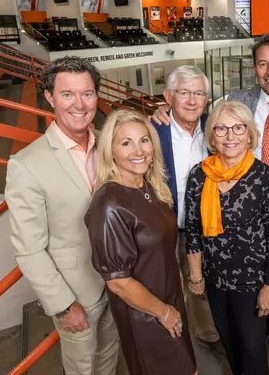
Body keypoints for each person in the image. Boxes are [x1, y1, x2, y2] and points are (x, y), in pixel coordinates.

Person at [153, 33, 269, 371]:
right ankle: (237, 335)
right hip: (221, 226)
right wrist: (163, 110)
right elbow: (208, 118)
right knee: (231, 319)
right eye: (262, 64)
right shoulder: (234, 105)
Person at [5, 56, 119, 375]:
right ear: (50, 98)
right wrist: (63, 305)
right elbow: (28, 248)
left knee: (110, 353)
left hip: (119, 282)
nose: (79, 104)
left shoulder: (109, 145)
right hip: (76, 292)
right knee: (82, 368)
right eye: (68, 94)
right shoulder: (26, 164)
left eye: (87, 93)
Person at [86, 110, 197, 375]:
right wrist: (162, 312)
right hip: (146, 315)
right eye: (126, 143)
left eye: (144, 140)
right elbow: (118, 282)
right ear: (110, 152)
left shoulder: (149, 186)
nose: (139, 151)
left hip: (168, 299)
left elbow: (161, 247)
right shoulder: (110, 204)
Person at [184, 101, 269, 375]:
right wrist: (196, 277)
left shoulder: (265, 177)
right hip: (215, 279)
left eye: (238, 127)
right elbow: (193, 229)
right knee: (228, 341)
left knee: (252, 347)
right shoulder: (199, 175)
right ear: (211, 135)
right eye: (221, 128)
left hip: (251, 283)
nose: (230, 136)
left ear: (249, 133)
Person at [151, 65, 226, 358]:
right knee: (169, 288)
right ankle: (173, 340)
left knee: (203, 285)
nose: (193, 101)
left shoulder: (214, 129)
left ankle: (208, 334)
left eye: (199, 93)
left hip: (205, 229)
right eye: (184, 93)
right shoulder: (152, 131)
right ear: (169, 96)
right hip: (164, 230)